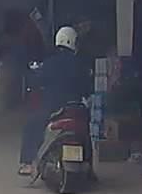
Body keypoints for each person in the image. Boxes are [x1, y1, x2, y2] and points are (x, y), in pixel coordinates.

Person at [18, 26, 91, 176]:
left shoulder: (50, 63)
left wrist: (33, 73)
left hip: (53, 108)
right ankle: (90, 166)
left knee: (31, 125)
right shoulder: (81, 63)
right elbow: (88, 89)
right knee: (86, 133)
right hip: (76, 108)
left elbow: (36, 81)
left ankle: (27, 164)